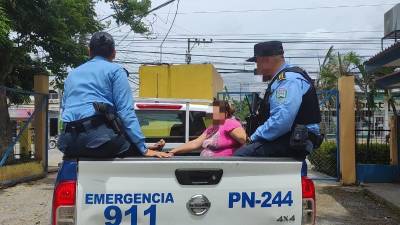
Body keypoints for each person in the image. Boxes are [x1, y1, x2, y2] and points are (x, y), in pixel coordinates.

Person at [58, 32, 171, 158]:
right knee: (130, 147)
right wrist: (143, 148)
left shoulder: (72, 74)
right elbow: (125, 112)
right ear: (114, 53)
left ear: (89, 51)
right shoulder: (116, 71)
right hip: (98, 141)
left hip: (68, 142)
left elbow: (64, 110)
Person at [234, 41, 322, 159]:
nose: (257, 67)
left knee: (240, 156)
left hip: (291, 140)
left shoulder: (287, 80)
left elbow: (282, 121)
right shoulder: (282, 79)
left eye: (257, 62)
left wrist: (253, 138)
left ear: (266, 60)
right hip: (289, 138)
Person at [170, 99, 247, 157]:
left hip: (223, 167)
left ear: (225, 113)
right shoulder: (213, 127)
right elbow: (196, 143)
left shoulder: (229, 122)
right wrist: (173, 151)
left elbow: (243, 139)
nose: (211, 114)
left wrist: (232, 131)